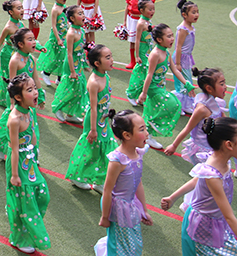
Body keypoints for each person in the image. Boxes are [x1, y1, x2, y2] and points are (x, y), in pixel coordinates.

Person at [161, 117, 237, 256]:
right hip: (201, 226)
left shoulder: (223, 162)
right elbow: (229, 216)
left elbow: (197, 180)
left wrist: (173, 197)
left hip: (214, 221)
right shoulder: (213, 174)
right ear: (229, 145)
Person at [94, 110, 153, 256]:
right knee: (119, 245)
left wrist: (144, 210)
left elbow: (138, 183)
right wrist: (105, 217)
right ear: (126, 135)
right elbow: (107, 191)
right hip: (118, 207)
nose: (147, 133)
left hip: (131, 205)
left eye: (145, 128)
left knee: (132, 243)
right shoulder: (117, 160)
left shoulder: (138, 153)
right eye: (142, 129)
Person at [5, 73, 51, 254]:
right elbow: (14, 149)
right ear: (18, 97)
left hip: (29, 160)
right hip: (18, 163)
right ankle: (19, 237)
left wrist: (32, 149)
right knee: (24, 199)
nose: (35, 93)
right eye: (30, 90)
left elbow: (31, 134)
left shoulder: (29, 111)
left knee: (42, 194)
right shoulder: (14, 119)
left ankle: (26, 226)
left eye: (35, 88)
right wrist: (15, 175)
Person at [66, 45, 118, 193]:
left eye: (111, 56)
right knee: (90, 148)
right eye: (107, 58)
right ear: (97, 63)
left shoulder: (105, 76)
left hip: (103, 119)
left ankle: (99, 181)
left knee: (106, 148)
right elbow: (94, 108)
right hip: (94, 121)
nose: (112, 60)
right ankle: (77, 176)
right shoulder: (94, 82)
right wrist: (93, 129)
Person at [138, 23, 192, 149]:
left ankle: (147, 135)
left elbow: (175, 70)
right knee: (175, 104)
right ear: (159, 40)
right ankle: (151, 127)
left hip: (160, 86)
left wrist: (187, 83)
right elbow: (149, 75)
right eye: (169, 36)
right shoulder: (155, 54)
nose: (172, 39)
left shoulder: (166, 52)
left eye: (172, 35)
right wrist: (144, 93)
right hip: (152, 88)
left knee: (151, 110)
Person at [165, 68, 227, 164]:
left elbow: (224, 120)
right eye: (222, 84)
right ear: (209, 88)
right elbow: (187, 128)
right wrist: (174, 145)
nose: (225, 87)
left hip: (213, 144)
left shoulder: (216, 102)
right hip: (203, 150)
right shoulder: (202, 109)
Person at [52, 5, 90, 124]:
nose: (83, 16)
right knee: (69, 88)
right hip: (70, 65)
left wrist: (84, 64)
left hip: (78, 65)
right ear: (72, 18)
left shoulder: (81, 31)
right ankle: (58, 107)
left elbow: (81, 50)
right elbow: (69, 53)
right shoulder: (71, 33)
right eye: (80, 14)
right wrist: (72, 71)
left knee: (78, 90)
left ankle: (70, 114)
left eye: (83, 13)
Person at [0, 0, 26, 107]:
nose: (22, 10)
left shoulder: (21, 24)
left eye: (22, 7)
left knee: (19, 75)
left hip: (18, 54)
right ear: (11, 12)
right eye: (18, 8)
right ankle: (5, 99)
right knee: (8, 77)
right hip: (7, 55)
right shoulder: (8, 27)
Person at [125, 0, 156, 106]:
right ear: (141, 10)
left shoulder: (148, 21)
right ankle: (131, 93)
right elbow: (137, 40)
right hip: (143, 50)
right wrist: (137, 55)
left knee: (146, 73)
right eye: (150, 9)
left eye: (153, 9)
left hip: (149, 49)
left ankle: (141, 95)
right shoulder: (141, 23)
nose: (152, 11)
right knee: (141, 73)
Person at [37, 0, 69, 86]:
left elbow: (66, 21)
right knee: (56, 58)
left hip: (64, 36)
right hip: (57, 37)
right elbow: (54, 26)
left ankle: (59, 79)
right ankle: (46, 73)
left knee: (63, 58)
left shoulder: (65, 7)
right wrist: (58, 39)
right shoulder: (55, 9)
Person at [124, 0, 155, 69]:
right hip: (131, 19)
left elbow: (151, 10)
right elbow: (127, 5)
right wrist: (125, 20)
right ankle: (132, 61)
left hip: (140, 20)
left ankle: (142, 58)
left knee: (141, 40)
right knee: (132, 40)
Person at [174, 0, 199, 115]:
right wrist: (178, 63)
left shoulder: (190, 27)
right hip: (181, 58)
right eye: (193, 12)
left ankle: (186, 103)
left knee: (187, 80)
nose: (196, 15)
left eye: (197, 12)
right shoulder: (183, 29)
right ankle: (180, 105)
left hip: (186, 58)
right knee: (183, 82)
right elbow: (178, 47)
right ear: (184, 15)